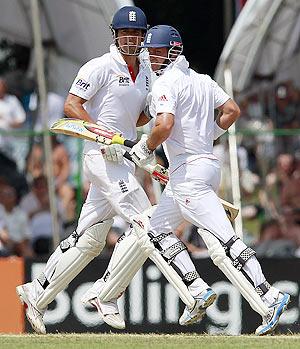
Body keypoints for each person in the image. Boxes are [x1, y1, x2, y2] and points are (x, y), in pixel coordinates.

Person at [16, 7, 207, 334]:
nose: (130, 39)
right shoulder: (100, 66)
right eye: (124, 34)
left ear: (143, 36)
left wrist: (145, 133)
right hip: (100, 156)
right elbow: (72, 105)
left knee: (89, 239)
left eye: (136, 34)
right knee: (149, 222)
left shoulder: (147, 71)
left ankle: (37, 292)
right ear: (115, 35)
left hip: (125, 159)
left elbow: (139, 118)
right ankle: (169, 291)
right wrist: (104, 135)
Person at [127, 25, 290, 335]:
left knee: (226, 239)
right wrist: (209, 135)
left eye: (157, 51)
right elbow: (231, 110)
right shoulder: (202, 80)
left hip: (189, 173)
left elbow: (164, 124)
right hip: (199, 167)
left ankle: (270, 295)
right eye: (151, 52)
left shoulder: (166, 84)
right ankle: (197, 288)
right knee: (157, 229)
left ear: (172, 51)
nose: (152, 57)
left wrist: (145, 148)